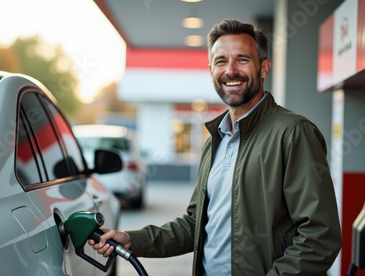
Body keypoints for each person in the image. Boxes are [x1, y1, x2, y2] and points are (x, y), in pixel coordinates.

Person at [89, 19, 342, 275]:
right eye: (221, 61)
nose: (231, 70)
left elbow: (320, 236)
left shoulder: (293, 133)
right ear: (211, 70)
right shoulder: (215, 140)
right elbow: (195, 225)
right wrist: (133, 240)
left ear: (264, 68)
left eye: (242, 59)